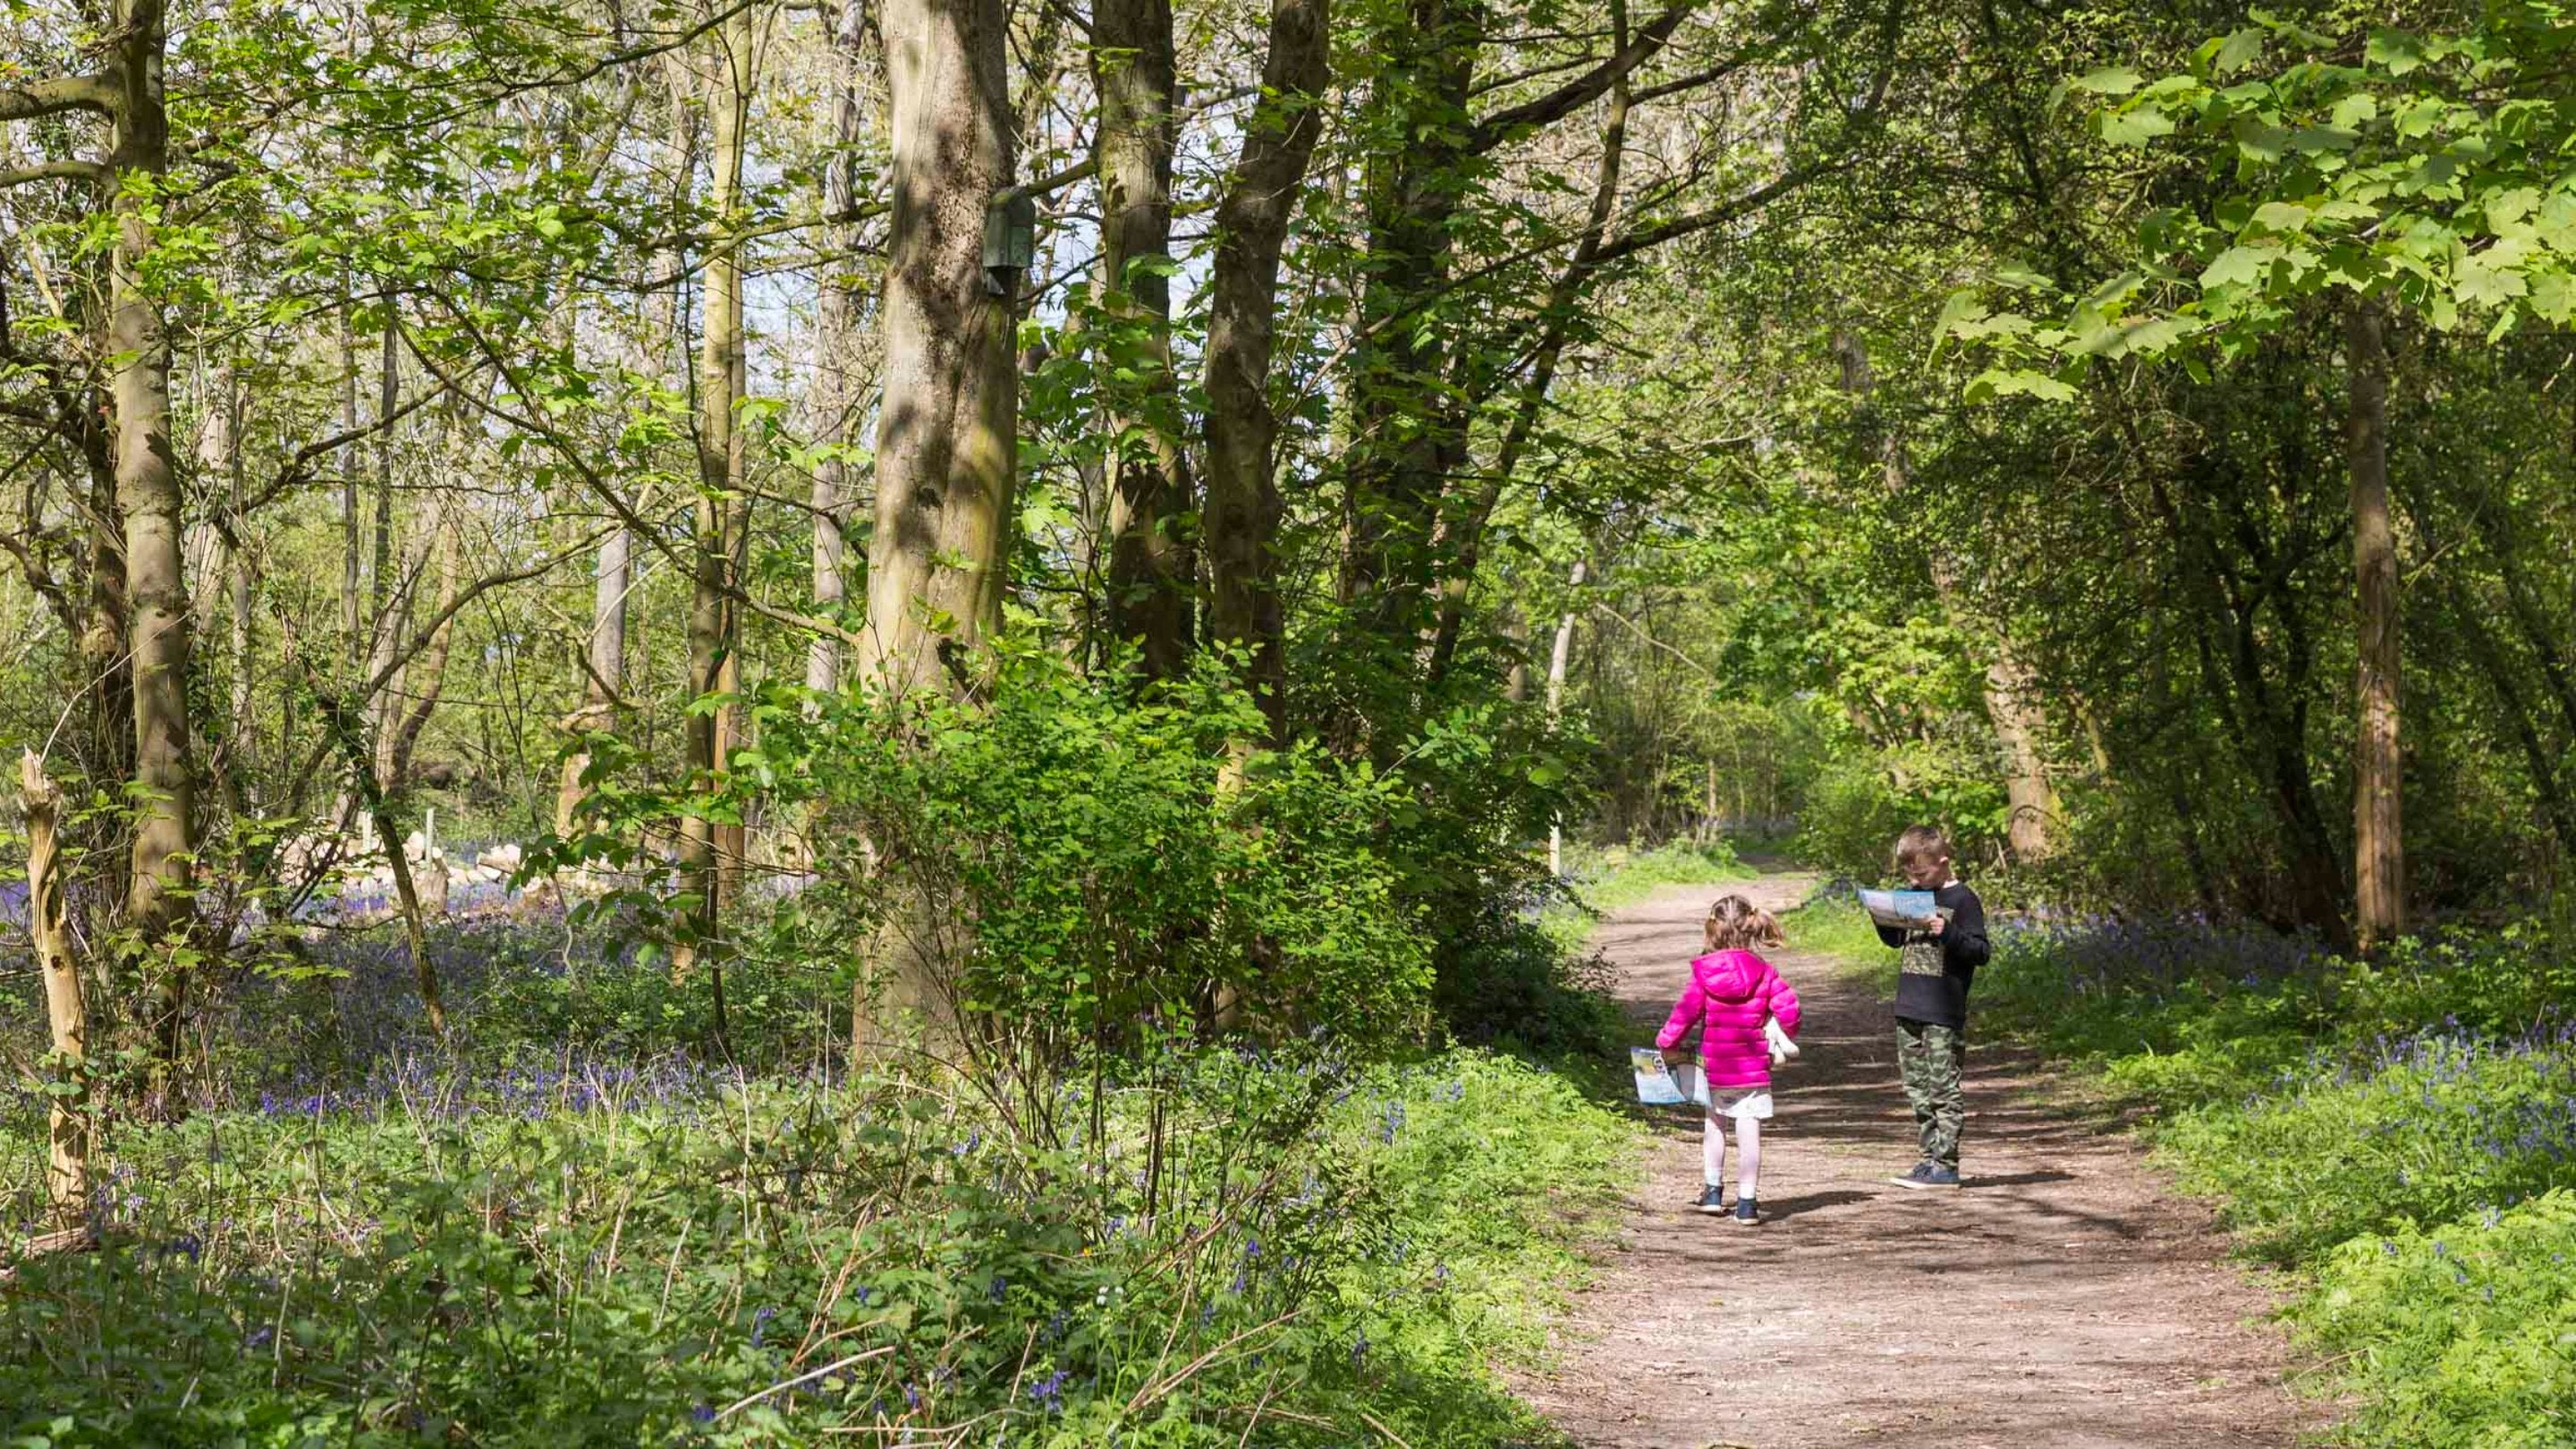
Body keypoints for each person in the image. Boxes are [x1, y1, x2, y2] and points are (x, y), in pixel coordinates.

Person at [1656, 894, 1801, 1225]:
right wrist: (1780, 1028)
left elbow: (1685, 1013)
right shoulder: (1765, 972)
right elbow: (1790, 1010)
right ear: (1751, 927)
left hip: (1717, 1066)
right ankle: (1747, 1203)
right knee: (1750, 1132)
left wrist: (1666, 1042)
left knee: (1714, 1126)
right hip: (1752, 1067)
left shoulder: (1704, 974)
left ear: (1712, 928)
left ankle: (1712, 1192)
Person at [1878, 825, 1990, 1190]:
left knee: (1944, 1088)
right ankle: (1927, 1160)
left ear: (1943, 862)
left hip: (1943, 1009)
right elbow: (1896, 941)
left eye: (1923, 873)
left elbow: (1981, 952)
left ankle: (1947, 1164)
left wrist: (1948, 932)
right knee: (1917, 1089)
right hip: (1908, 1003)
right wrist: (1883, 918)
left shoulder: (1964, 900)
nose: (1917, 880)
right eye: (1910, 874)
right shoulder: (1912, 894)